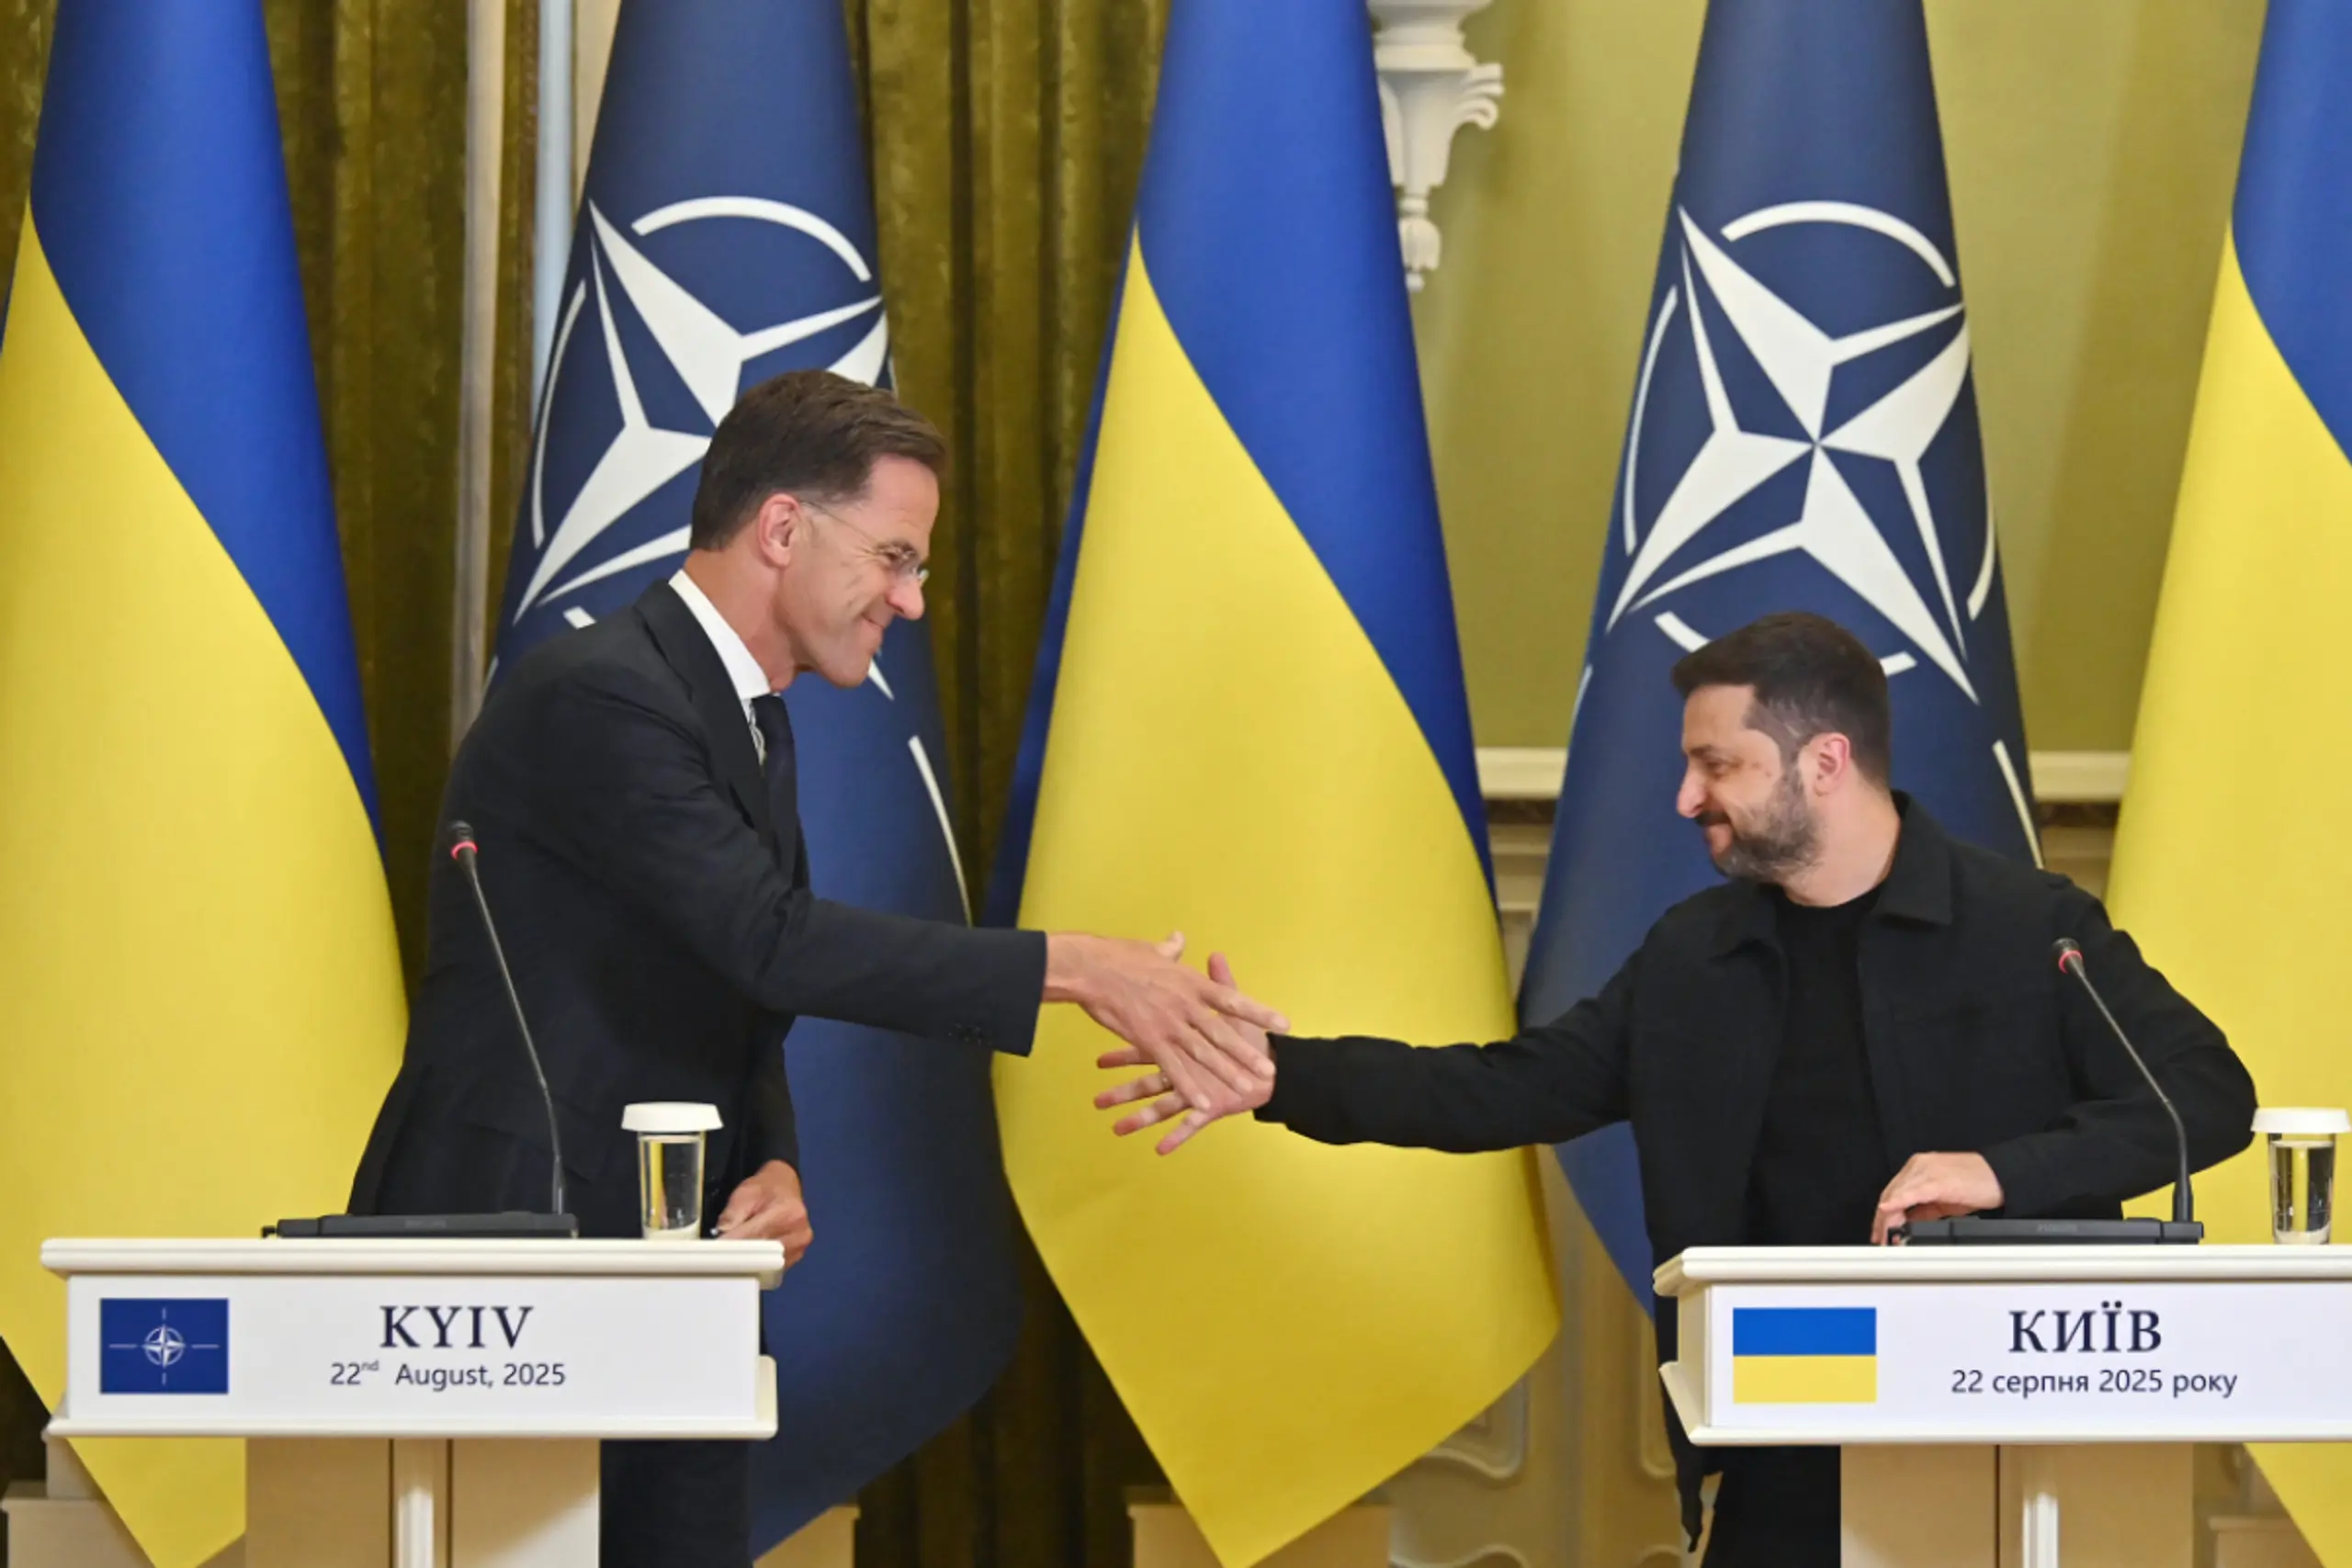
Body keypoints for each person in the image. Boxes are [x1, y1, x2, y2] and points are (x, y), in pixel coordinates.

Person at [348, 369, 1285, 1568]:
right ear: (784, 527)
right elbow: (769, 934)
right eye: (895, 556)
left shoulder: (747, 714)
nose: (912, 597)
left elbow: (734, 978)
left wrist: (771, 1151)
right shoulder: (605, 695)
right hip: (507, 1256)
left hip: (669, 1268)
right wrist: (1079, 966)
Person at [1095, 611, 2256, 1568]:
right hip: (1780, 1430)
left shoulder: (2028, 929)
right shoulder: (1695, 955)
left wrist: (1998, 1172)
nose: (1686, 799)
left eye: (1716, 765)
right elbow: (1508, 1092)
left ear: (1824, 762)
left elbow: (2205, 1095)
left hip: (2005, 1432)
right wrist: (1277, 1075)